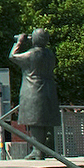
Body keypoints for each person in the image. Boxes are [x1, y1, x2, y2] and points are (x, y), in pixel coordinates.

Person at [10, 29, 60, 159]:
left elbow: (13, 56)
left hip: (33, 90)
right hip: (48, 89)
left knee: (35, 120)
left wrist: (19, 42)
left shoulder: (31, 54)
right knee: (43, 120)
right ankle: (42, 149)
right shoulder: (50, 54)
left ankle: (38, 151)